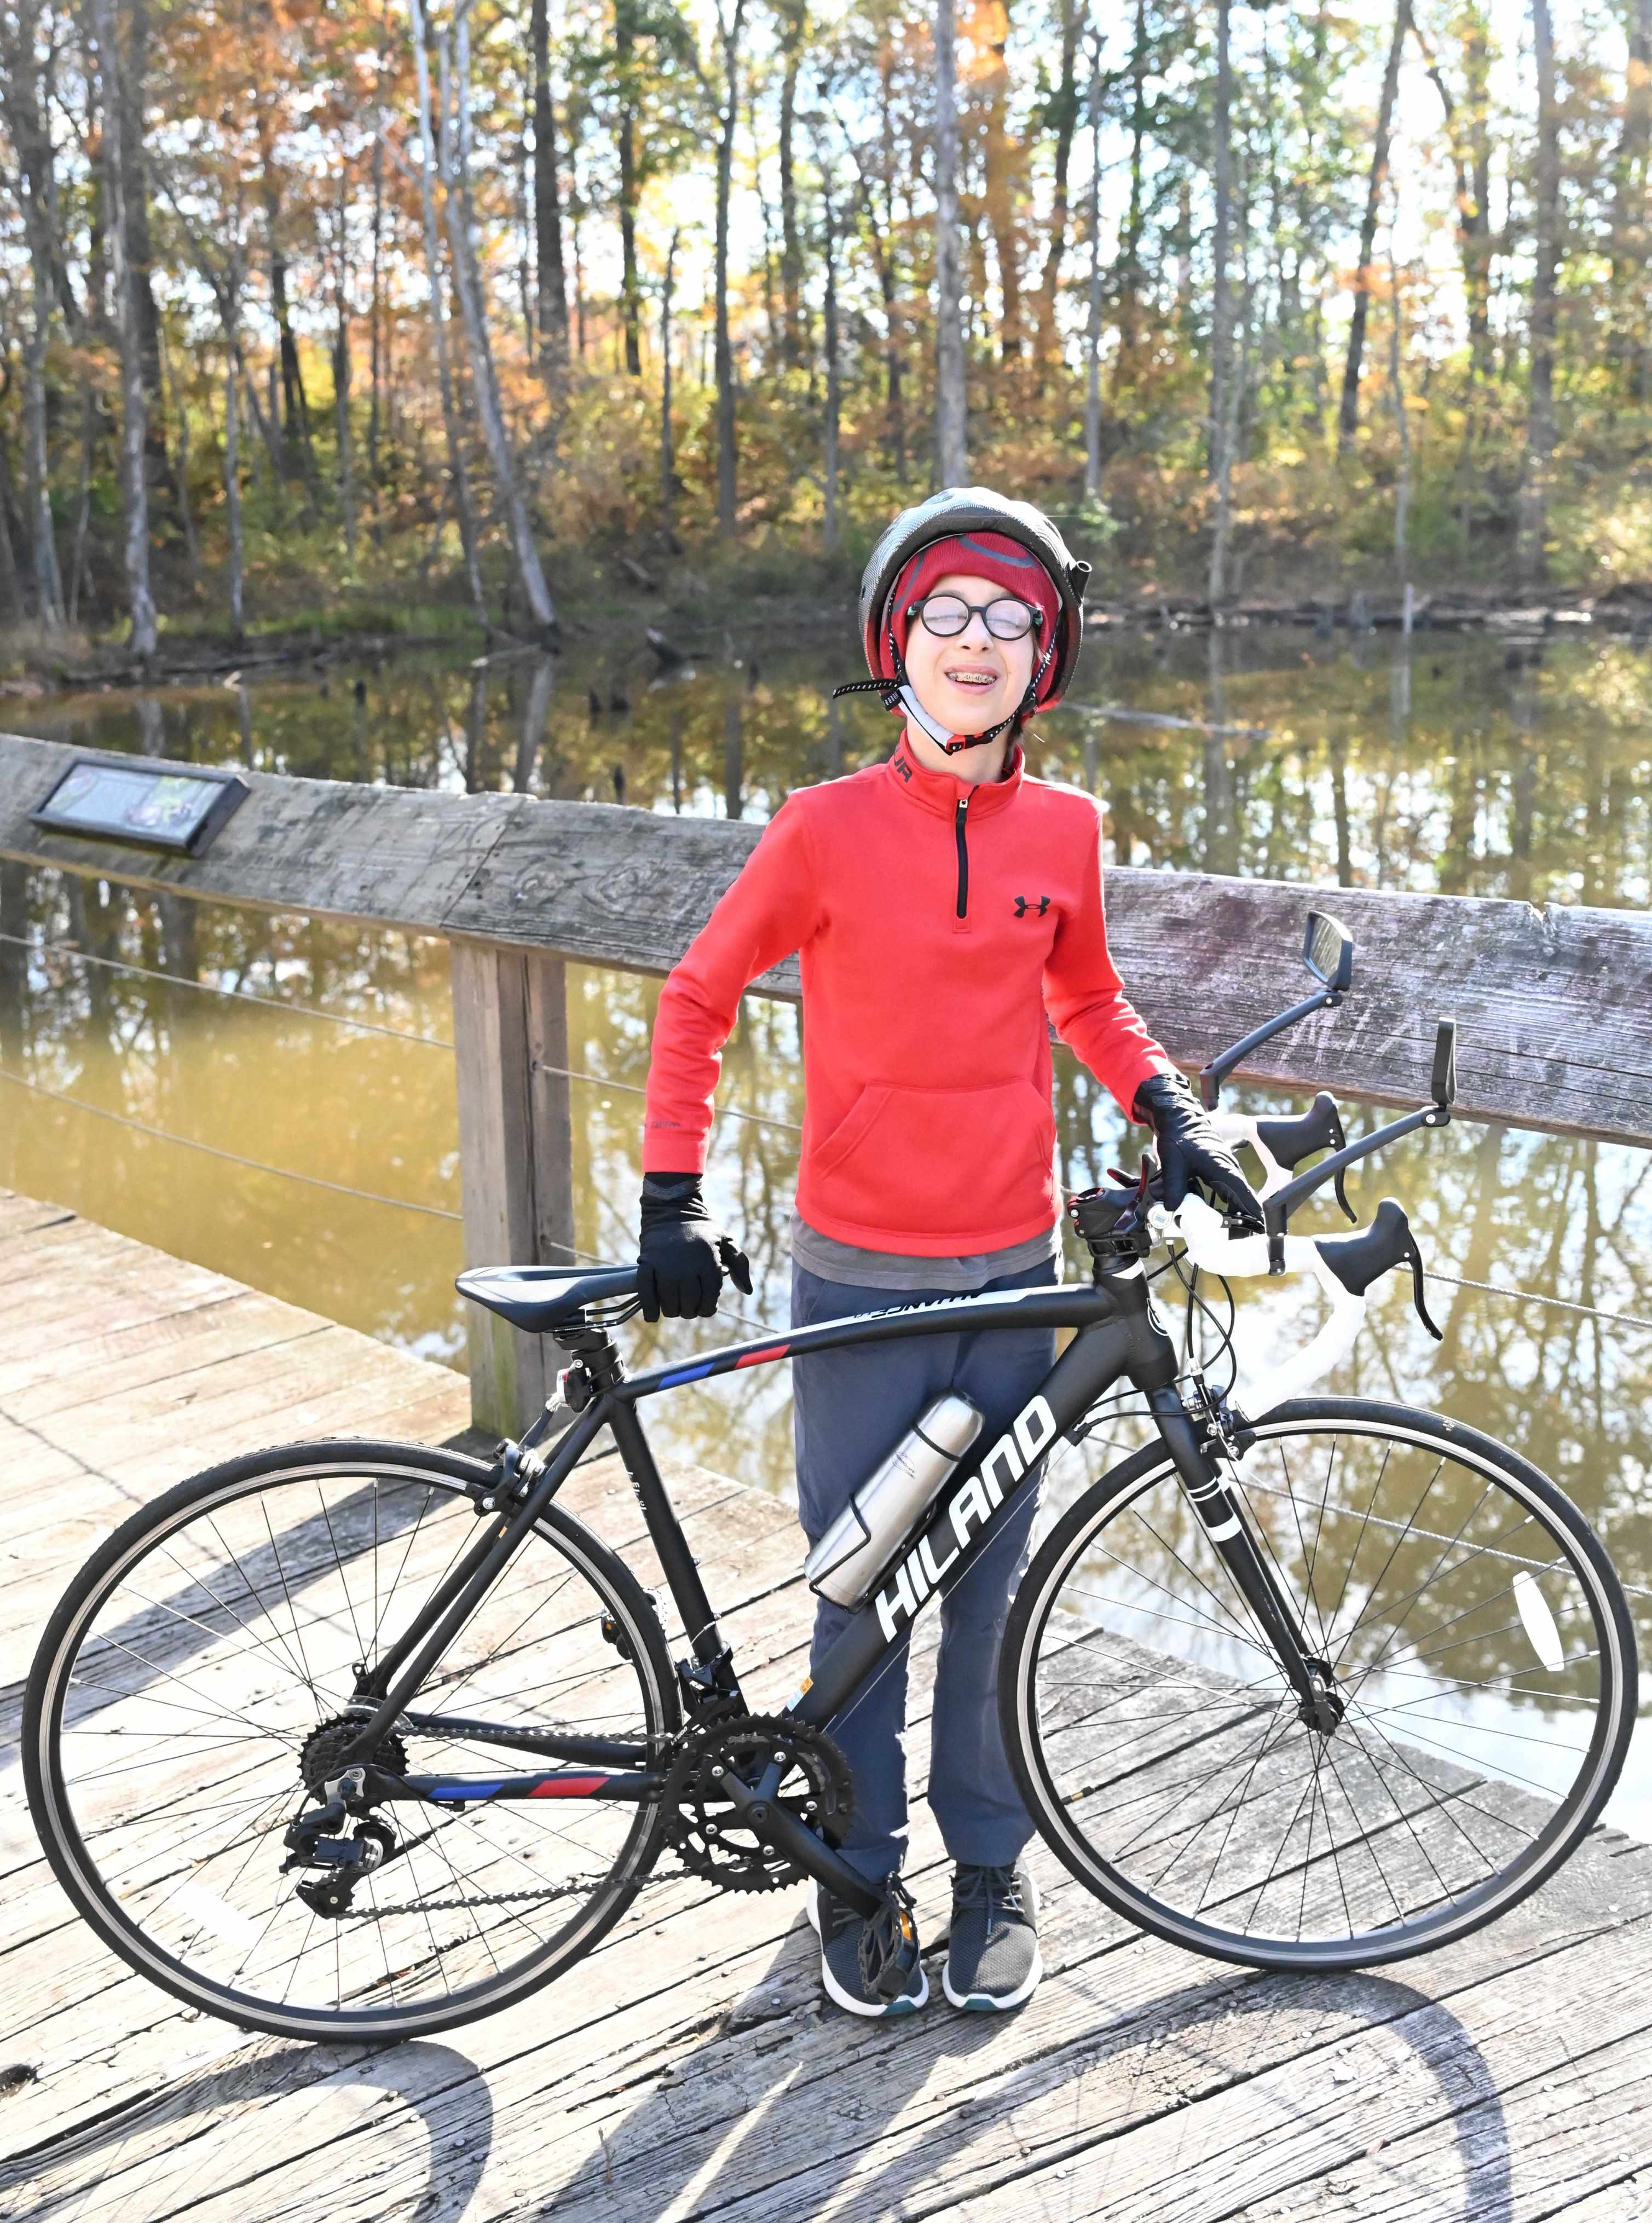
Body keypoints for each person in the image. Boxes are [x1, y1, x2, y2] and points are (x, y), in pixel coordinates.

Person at [635, 487, 1261, 2019]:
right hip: (857, 1278)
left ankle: (990, 1861)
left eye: (1008, 620)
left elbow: (1088, 1004)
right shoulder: (822, 827)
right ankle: (858, 1868)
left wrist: (1164, 1104)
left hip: (1012, 1275)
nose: (975, 643)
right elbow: (694, 1001)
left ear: (1042, 658)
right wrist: (671, 1195)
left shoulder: (1066, 829)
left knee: (988, 1586)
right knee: (861, 1594)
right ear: (894, 643)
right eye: (946, 616)